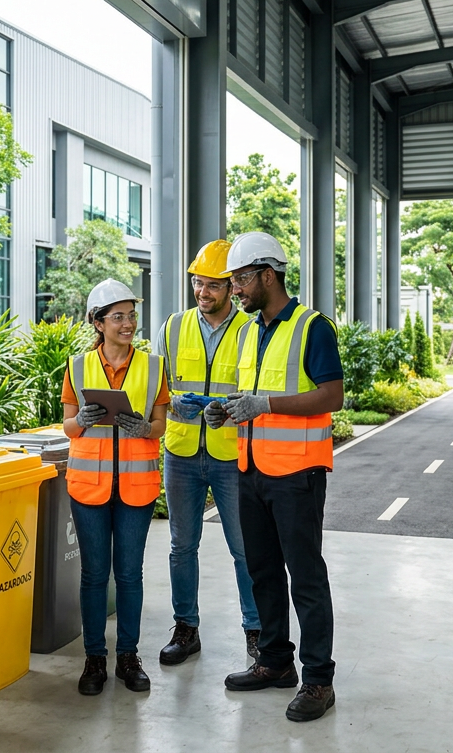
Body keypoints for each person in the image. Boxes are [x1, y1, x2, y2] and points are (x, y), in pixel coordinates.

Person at [204, 231, 344, 723]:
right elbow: (252, 393)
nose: (235, 289)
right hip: (251, 470)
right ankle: (276, 663)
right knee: (262, 571)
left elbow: (332, 396)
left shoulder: (312, 328)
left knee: (305, 577)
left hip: (297, 474)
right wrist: (230, 411)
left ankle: (318, 680)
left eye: (241, 279)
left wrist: (265, 405)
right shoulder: (250, 330)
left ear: (268, 275)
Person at [155, 239, 261, 666]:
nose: (203, 292)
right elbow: (156, 386)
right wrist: (169, 402)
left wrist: (231, 411)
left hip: (230, 452)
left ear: (232, 287)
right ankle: (186, 629)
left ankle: (256, 633)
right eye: (198, 282)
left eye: (213, 284)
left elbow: (257, 391)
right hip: (181, 452)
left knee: (244, 548)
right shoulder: (174, 326)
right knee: (182, 546)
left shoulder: (250, 330)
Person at [62, 278, 169, 696]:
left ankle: (127, 656)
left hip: (136, 488)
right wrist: (84, 420)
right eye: (119, 316)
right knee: (93, 575)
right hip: (89, 486)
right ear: (98, 322)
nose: (128, 324)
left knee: (129, 574)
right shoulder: (77, 367)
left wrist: (146, 427)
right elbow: (68, 426)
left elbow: (160, 424)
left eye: (131, 315)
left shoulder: (153, 366)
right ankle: (93, 660)